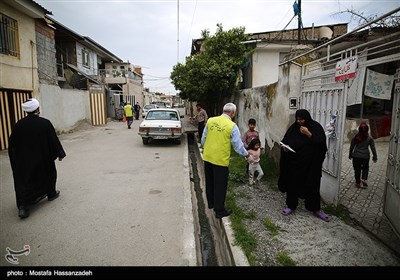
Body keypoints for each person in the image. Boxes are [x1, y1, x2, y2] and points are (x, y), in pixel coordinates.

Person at [8, 98, 66, 219]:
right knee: (48, 173)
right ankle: (51, 193)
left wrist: (15, 161)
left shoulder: (19, 125)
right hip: (43, 159)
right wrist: (60, 153)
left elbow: (12, 144)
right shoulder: (45, 123)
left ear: (26, 111)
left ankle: (23, 207)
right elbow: (53, 140)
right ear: (37, 109)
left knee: (24, 181)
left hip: (24, 161)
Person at [277, 109, 329, 222]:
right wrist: (285, 148)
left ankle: (315, 209)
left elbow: (321, 144)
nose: (299, 122)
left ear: (307, 118)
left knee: (313, 185)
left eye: (302, 119)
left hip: (311, 164)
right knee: (293, 184)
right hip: (295, 163)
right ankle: (291, 206)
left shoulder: (315, 127)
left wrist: (308, 134)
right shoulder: (294, 128)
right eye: (298, 119)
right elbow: (285, 140)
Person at [201, 103, 249, 219]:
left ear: (223, 111)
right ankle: (219, 210)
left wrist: (206, 148)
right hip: (220, 160)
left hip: (207, 157)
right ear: (232, 113)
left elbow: (203, 139)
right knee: (220, 185)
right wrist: (246, 154)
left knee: (210, 181)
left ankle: (211, 203)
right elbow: (237, 145)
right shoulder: (232, 126)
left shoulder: (211, 121)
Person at [349, 122, 377, 189]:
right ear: (367, 129)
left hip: (356, 156)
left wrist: (350, 154)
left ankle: (358, 182)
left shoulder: (356, 137)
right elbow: (373, 148)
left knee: (357, 169)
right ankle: (364, 179)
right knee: (365, 168)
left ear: (359, 129)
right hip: (365, 156)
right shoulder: (370, 138)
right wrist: (375, 156)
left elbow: (352, 146)